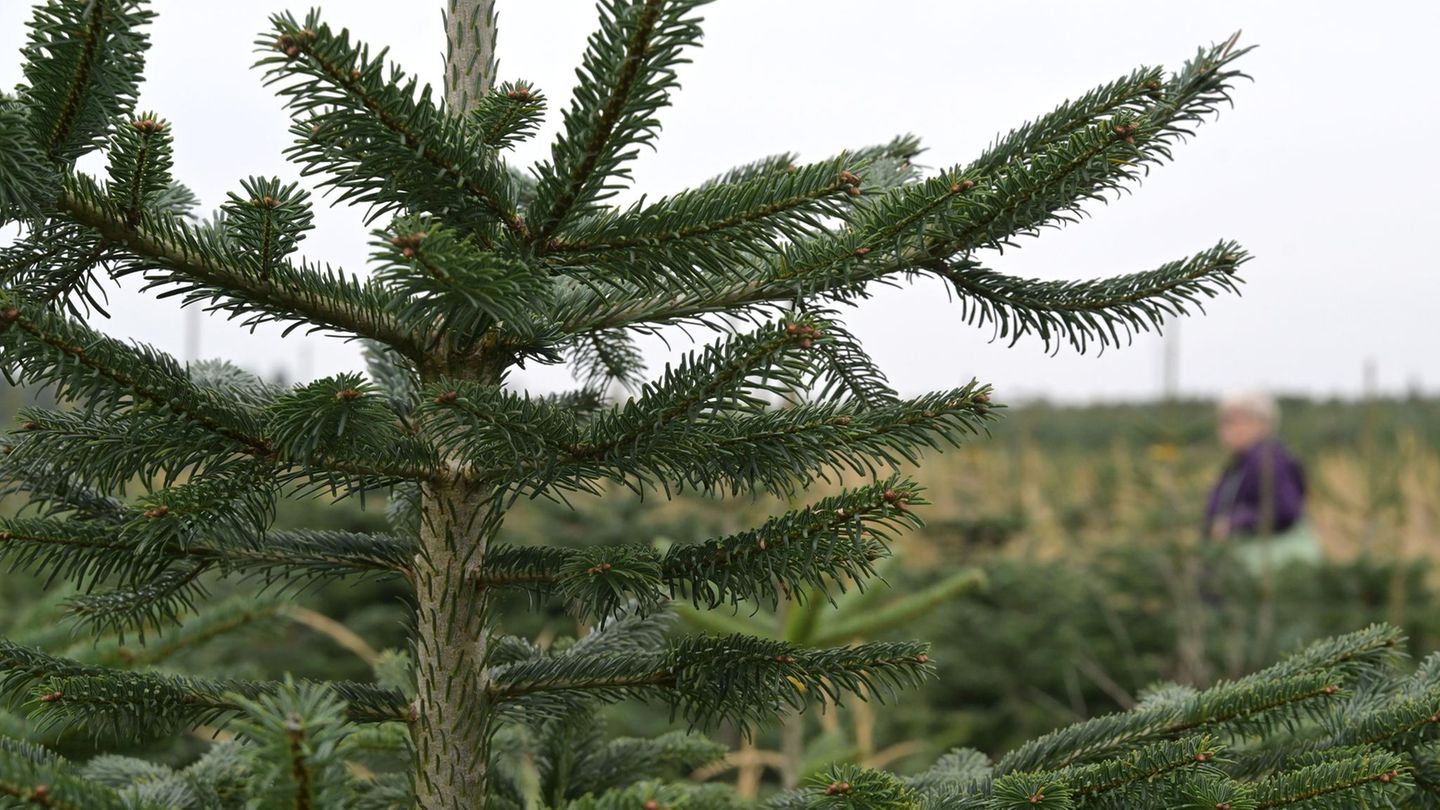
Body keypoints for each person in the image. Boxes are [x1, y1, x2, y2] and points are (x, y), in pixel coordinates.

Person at [1203, 393, 1322, 574]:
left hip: (1269, 568)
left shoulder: (1268, 461)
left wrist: (1233, 523)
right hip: (1245, 566)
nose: (1225, 430)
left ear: (1261, 425)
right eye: (1224, 422)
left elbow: (1285, 510)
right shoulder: (1240, 463)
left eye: (1233, 422)